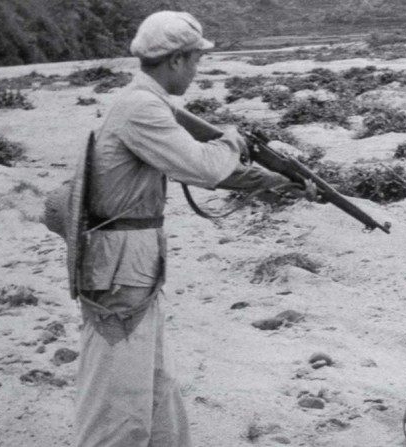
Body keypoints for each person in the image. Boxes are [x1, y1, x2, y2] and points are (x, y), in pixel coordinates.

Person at [74, 11, 305, 447]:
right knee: (117, 399)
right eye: (195, 60)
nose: (197, 70)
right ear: (176, 60)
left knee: (155, 385)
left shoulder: (147, 103)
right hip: (120, 263)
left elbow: (197, 163)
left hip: (133, 261)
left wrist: (279, 182)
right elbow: (202, 166)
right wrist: (233, 141)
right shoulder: (141, 107)